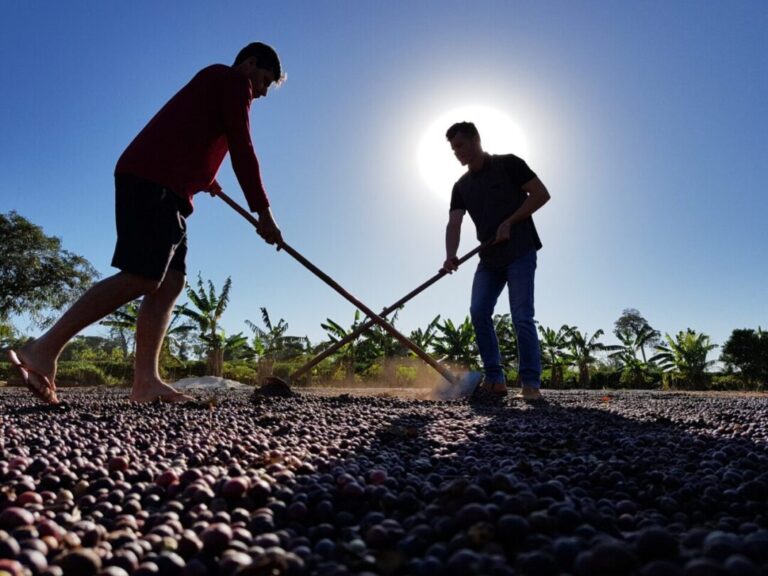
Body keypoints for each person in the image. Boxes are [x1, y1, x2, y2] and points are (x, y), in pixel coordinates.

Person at [8, 42, 285, 404]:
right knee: (143, 274)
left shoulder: (216, 84)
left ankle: (146, 382)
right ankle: (43, 349)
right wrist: (263, 211)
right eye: (264, 80)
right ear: (249, 65)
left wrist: (208, 180)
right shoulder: (232, 80)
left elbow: (190, 136)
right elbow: (241, 144)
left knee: (171, 282)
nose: (262, 92)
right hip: (153, 180)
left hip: (168, 186)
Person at [442, 121, 550, 400]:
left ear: (476, 140)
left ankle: (530, 385)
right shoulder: (461, 186)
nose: (457, 153)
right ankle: (495, 379)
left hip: (520, 251)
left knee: (521, 316)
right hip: (489, 258)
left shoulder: (509, 164)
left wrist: (510, 222)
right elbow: (454, 222)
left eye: (461, 145)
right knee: (478, 311)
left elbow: (541, 194)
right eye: (453, 149)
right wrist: (450, 255)